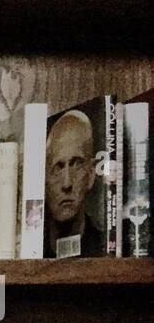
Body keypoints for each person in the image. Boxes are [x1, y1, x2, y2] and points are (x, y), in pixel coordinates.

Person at [45, 109, 106, 257]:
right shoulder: (29, 250)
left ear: (91, 175)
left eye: (76, 164)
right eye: (57, 168)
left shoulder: (106, 252)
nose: (66, 184)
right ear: (44, 178)